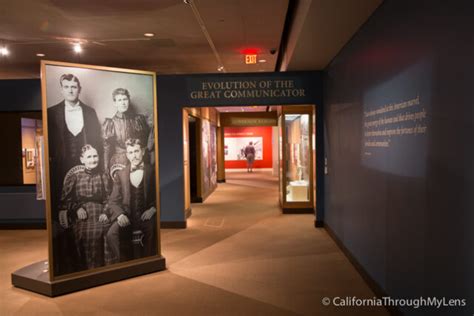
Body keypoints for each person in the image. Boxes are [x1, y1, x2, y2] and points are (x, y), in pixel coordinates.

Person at [47, 74, 102, 275]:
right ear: (61, 88)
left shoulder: (89, 112)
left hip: (86, 170)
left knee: (84, 218)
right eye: (67, 86)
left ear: (79, 89)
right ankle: (66, 266)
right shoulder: (51, 113)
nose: (71, 90)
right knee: (63, 218)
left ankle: (84, 265)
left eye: (74, 86)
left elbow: (98, 145)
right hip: (61, 171)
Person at [59, 145, 110, 271]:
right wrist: (77, 208)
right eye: (89, 157)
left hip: (100, 211)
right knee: (85, 233)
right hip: (82, 213)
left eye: (95, 156)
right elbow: (65, 201)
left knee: (104, 231)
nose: (93, 160)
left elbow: (109, 198)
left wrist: (106, 212)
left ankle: (104, 270)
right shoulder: (75, 177)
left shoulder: (103, 176)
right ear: (82, 159)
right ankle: (87, 270)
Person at [106, 138, 157, 262]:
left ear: (143, 152)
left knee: (152, 230)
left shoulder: (152, 171)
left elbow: (159, 194)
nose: (134, 155)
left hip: (146, 215)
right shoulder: (121, 174)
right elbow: (113, 200)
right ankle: (123, 263)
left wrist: (153, 209)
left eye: (136, 151)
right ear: (127, 155)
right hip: (128, 216)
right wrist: (120, 215)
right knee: (111, 234)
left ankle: (147, 263)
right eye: (131, 152)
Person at [102, 88, 151, 178]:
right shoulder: (111, 123)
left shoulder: (138, 119)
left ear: (128, 100)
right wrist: (106, 169)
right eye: (119, 100)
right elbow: (106, 149)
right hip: (120, 161)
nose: (123, 103)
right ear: (115, 103)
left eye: (125, 99)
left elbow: (146, 142)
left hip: (138, 159)